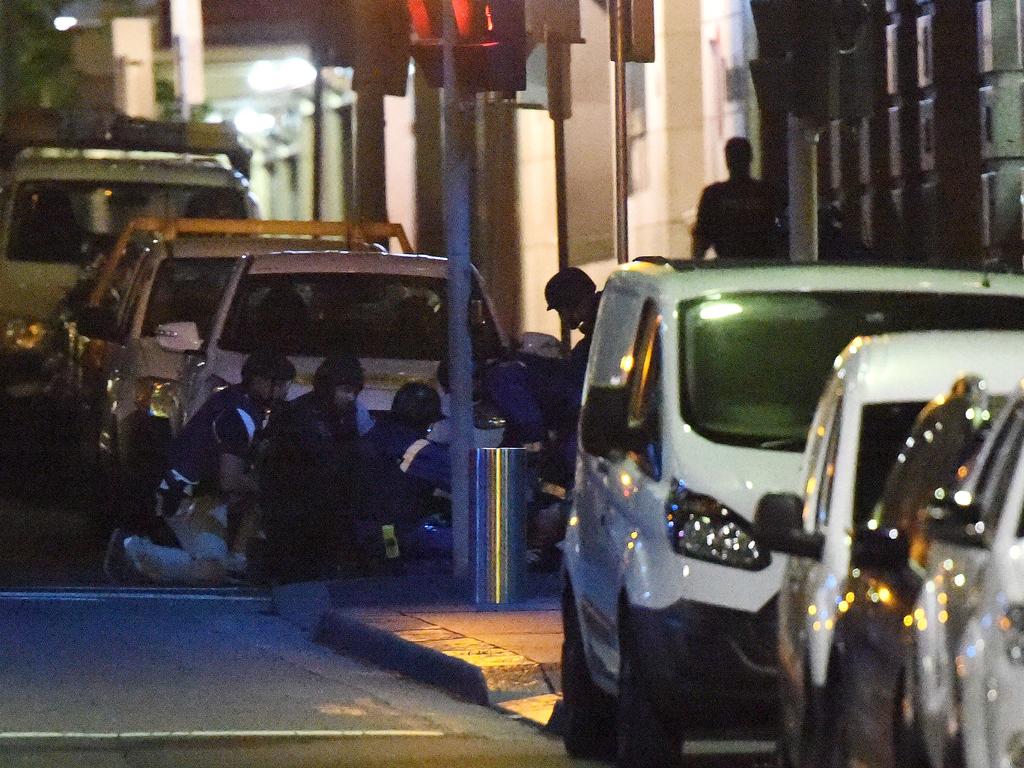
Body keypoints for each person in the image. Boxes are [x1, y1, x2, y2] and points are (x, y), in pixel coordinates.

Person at [104, 350, 296, 585]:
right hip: (188, 495)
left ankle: (234, 561)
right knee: (209, 572)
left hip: (198, 493)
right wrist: (266, 485)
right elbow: (230, 479)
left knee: (250, 505)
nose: (285, 392)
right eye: (282, 385)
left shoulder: (234, 399)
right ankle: (131, 549)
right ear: (262, 382)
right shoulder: (239, 416)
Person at [257, 353, 372, 582]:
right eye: (345, 390)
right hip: (296, 519)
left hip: (327, 518)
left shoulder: (349, 417)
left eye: (354, 392)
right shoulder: (298, 417)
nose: (350, 398)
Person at [356, 382, 451, 566]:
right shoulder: (416, 449)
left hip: (369, 529)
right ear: (426, 421)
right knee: (462, 547)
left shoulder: (377, 434)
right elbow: (462, 479)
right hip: (389, 535)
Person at [692, 136, 782, 261]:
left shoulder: (714, 194)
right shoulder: (766, 192)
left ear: (727, 160)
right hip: (762, 267)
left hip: (731, 266)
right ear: (751, 158)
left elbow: (701, 239)